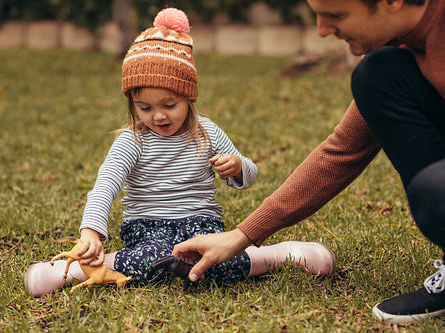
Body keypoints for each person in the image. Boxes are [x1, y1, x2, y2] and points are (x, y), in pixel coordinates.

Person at [24, 8, 336, 297]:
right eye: (145, 108)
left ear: (189, 97)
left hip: (201, 224)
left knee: (218, 260)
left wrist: (238, 166)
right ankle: (73, 271)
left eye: (169, 105)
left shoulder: (207, 133)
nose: (158, 116)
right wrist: (91, 230)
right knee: (153, 260)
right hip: (148, 227)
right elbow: (106, 183)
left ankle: (284, 254)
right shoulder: (132, 141)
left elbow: (249, 175)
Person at [173, 0, 445, 324]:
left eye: (336, 15)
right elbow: (342, 151)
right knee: (376, 74)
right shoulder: (399, 54)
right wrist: (241, 236)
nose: (322, 30)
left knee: (435, 190)